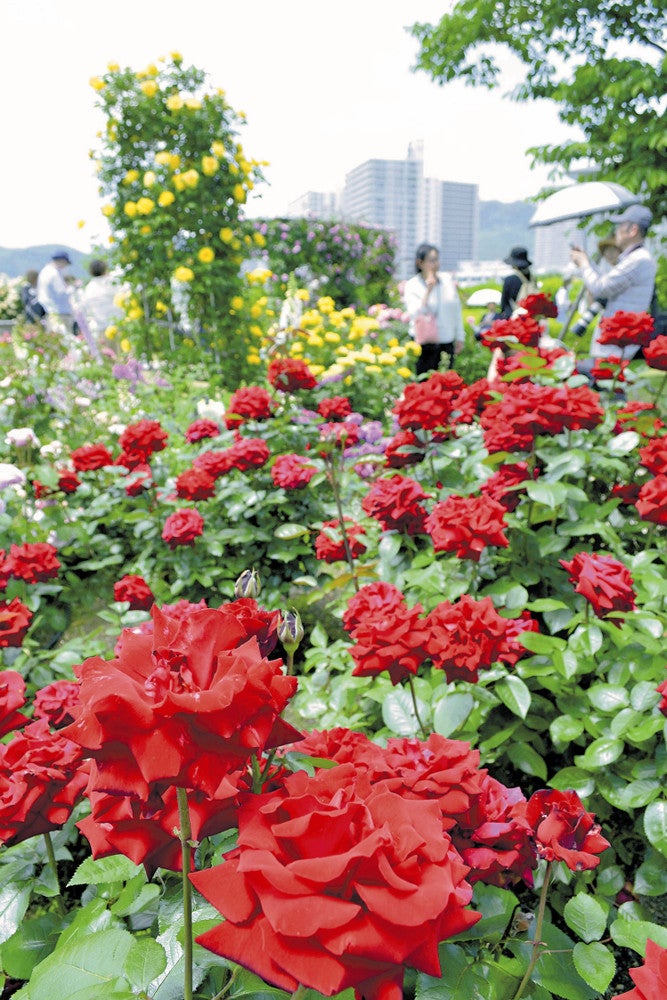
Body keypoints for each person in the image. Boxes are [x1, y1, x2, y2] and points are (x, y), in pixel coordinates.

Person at [570, 204, 657, 368]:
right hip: (617, 342)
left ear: (633, 230)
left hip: (618, 344)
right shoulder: (635, 258)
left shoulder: (638, 259)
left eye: (620, 226)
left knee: (608, 386)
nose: (616, 231)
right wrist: (587, 263)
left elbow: (601, 288)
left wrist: (583, 264)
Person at [402, 243, 465, 376]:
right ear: (420, 263)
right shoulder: (412, 285)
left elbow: (456, 310)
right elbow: (415, 313)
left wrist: (460, 336)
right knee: (424, 382)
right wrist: (428, 291)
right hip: (424, 343)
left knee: (445, 382)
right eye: (431, 260)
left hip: (446, 341)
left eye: (437, 259)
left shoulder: (447, 281)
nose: (436, 264)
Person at [74, 258, 126, 354]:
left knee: (110, 358)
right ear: (105, 269)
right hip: (118, 325)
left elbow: (84, 309)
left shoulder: (89, 288)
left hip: (101, 328)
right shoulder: (112, 282)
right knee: (124, 356)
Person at [36, 250, 74, 335]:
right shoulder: (54, 273)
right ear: (62, 261)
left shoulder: (45, 271)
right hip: (60, 312)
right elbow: (61, 293)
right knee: (64, 341)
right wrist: (73, 288)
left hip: (50, 312)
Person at [497, 246, 535, 319]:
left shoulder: (510, 279)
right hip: (530, 318)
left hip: (514, 318)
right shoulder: (532, 279)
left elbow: (504, 304)